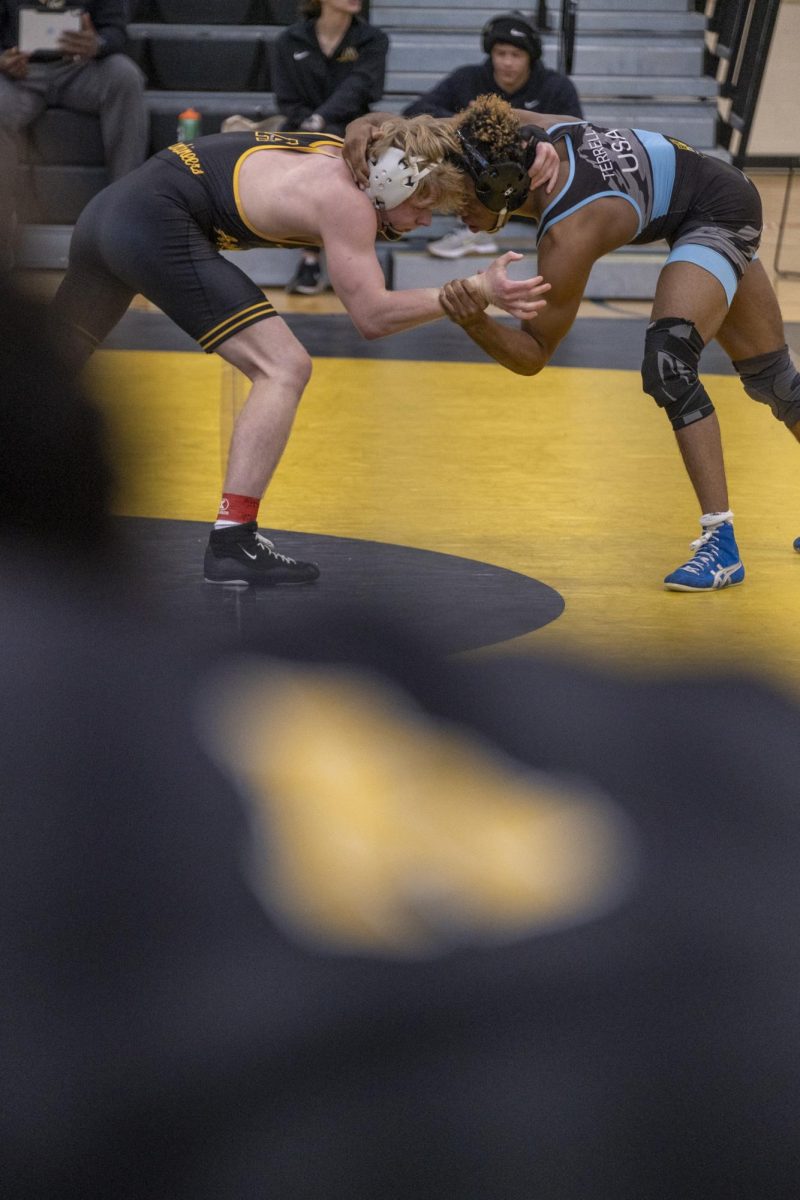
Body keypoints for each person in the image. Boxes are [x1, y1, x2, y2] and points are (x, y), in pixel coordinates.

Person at [49, 117, 552, 586]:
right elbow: (372, 316)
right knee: (283, 367)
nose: (423, 220)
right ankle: (233, 537)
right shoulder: (349, 202)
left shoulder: (350, 152)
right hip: (154, 221)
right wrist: (474, 290)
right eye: (423, 206)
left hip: (108, 212)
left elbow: (389, 129)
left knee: (45, 371)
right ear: (391, 183)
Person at [350, 95, 800, 592]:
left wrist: (473, 321)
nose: (459, 216)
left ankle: (721, 543)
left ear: (502, 185)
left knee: (669, 365)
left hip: (719, 209)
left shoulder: (568, 233)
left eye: (463, 201)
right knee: (772, 379)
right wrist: (363, 125)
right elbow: (455, 123)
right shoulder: (527, 132)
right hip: (707, 187)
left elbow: (534, 356)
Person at [403, 11, 582, 260]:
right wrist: (469, 125)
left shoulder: (557, 87)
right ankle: (473, 224)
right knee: (437, 138)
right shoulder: (466, 78)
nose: (507, 62)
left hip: (533, 184)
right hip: (475, 182)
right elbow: (415, 114)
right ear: (490, 53)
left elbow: (578, 135)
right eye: (501, 54)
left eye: (516, 55)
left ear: (530, 57)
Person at [0, 0, 147, 271]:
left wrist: (98, 43)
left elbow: (116, 30)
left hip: (81, 68)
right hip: (19, 74)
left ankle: (125, 219)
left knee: (126, 77)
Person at [271, 0, 389, 294]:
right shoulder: (288, 40)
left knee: (334, 152)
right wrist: (309, 122)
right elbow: (286, 99)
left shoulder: (372, 39)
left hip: (355, 128)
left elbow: (362, 87)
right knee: (307, 152)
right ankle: (313, 257)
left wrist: (321, 119)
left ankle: (314, 260)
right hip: (300, 126)